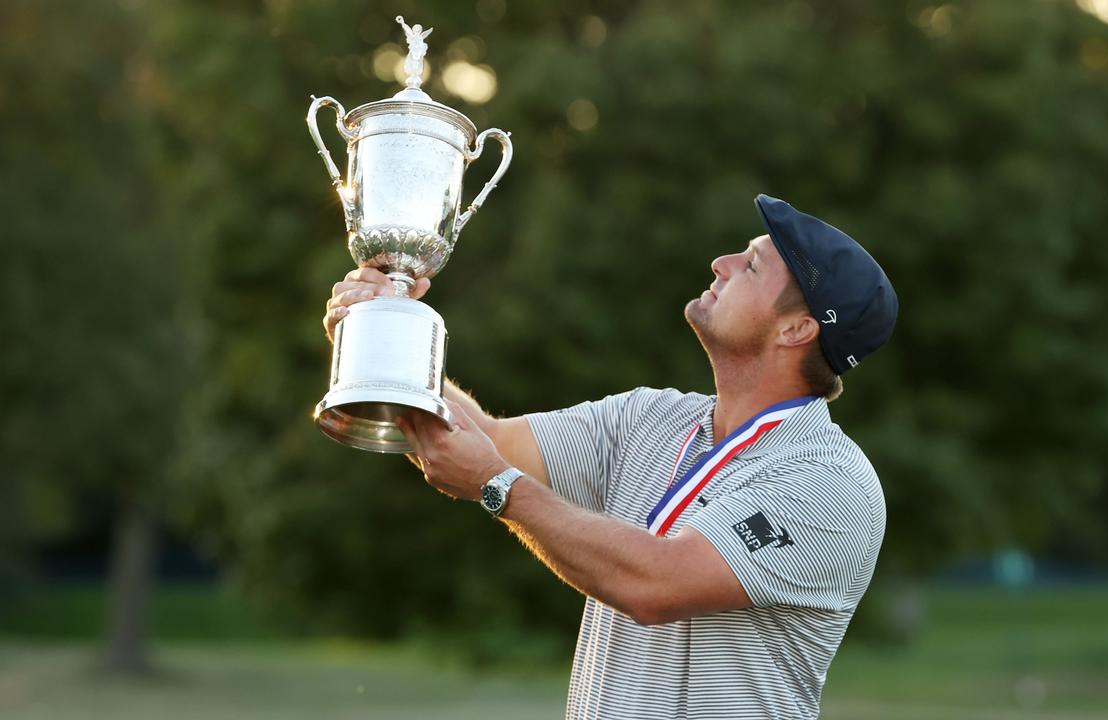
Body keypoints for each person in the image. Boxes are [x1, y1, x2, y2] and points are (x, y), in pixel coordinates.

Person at [322, 195, 898, 720]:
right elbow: (489, 443)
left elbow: (656, 584)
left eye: (749, 265)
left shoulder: (830, 481)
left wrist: (500, 487)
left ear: (796, 328)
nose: (720, 263)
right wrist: (381, 336)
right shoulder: (650, 417)